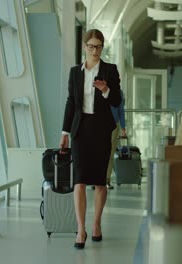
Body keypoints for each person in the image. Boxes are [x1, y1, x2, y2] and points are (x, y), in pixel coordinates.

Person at [59, 29, 122, 249]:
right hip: (80, 129)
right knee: (80, 180)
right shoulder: (75, 72)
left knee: (99, 181)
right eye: (92, 46)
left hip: (101, 129)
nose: (95, 50)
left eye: (99, 46)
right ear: (84, 46)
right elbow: (70, 103)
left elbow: (116, 101)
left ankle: (96, 224)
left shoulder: (109, 70)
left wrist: (106, 90)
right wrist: (65, 133)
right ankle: (81, 228)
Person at [106, 90, 126, 190]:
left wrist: (123, 128)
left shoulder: (119, 93)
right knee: (98, 153)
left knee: (109, 153)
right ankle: (97, 179)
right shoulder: (98, 89)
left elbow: (121, 110)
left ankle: (107, 179)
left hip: (114, 125)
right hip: (99, 125)